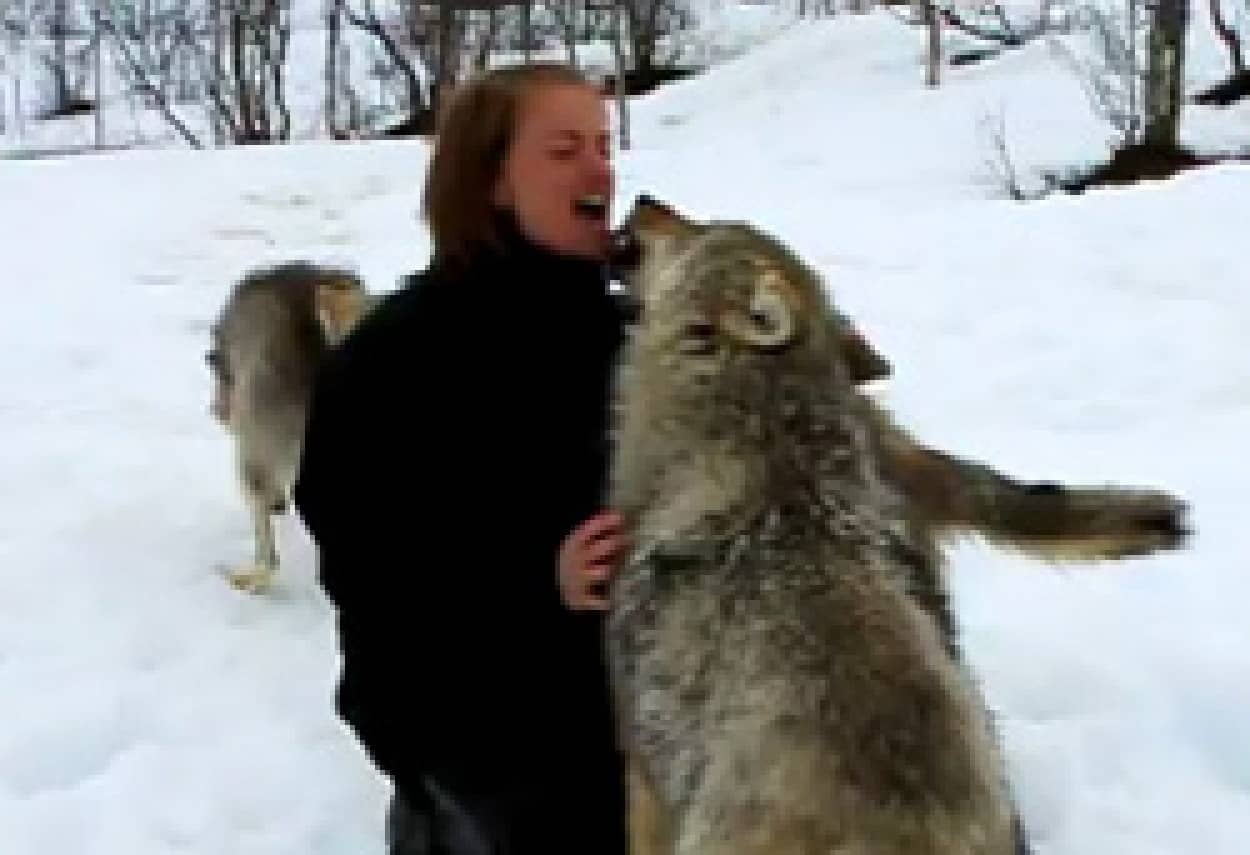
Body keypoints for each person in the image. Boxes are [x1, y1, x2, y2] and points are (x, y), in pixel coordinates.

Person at [291, 63, 635, 855]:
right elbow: (373, 577)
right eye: (564, 149)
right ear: (492, 182)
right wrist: (536, 582)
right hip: (482, 749)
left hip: (645, 733)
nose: (600, 170)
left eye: (604, 145)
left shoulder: (634, 339)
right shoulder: (393, 363)